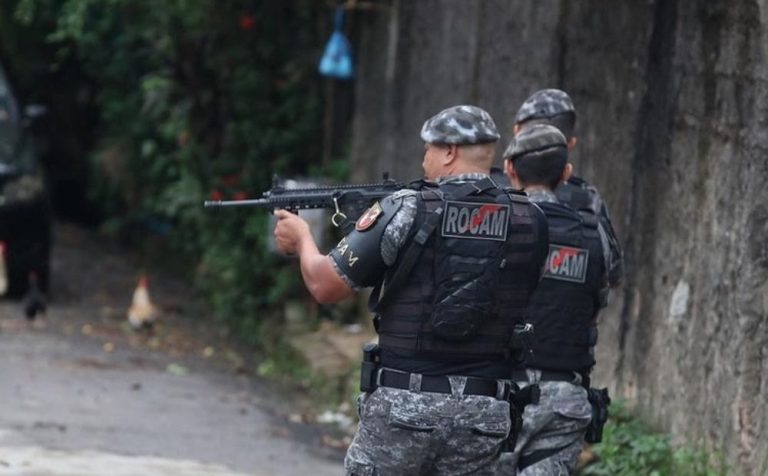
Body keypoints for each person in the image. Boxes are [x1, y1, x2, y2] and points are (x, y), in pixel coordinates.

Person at [274, 105, 550, 475]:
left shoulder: (407, 207)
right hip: (484, 417)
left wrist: (303, 239)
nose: (424, 161)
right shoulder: (531, 219)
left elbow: (326, 286)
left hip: (404, 411)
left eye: (429, 150)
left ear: (449, 151)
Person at [497, 124, 611, 475]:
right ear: (566, 173)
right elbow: (594, 310)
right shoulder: (594, 235)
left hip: (498, 397)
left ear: (509, 170)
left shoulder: (497, 224)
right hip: (564, 400)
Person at [513, 88, 623, 287]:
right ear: (570, 144)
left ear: (516, 133)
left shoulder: (493, 192)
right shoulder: (588, 200)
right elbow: (613, 272)